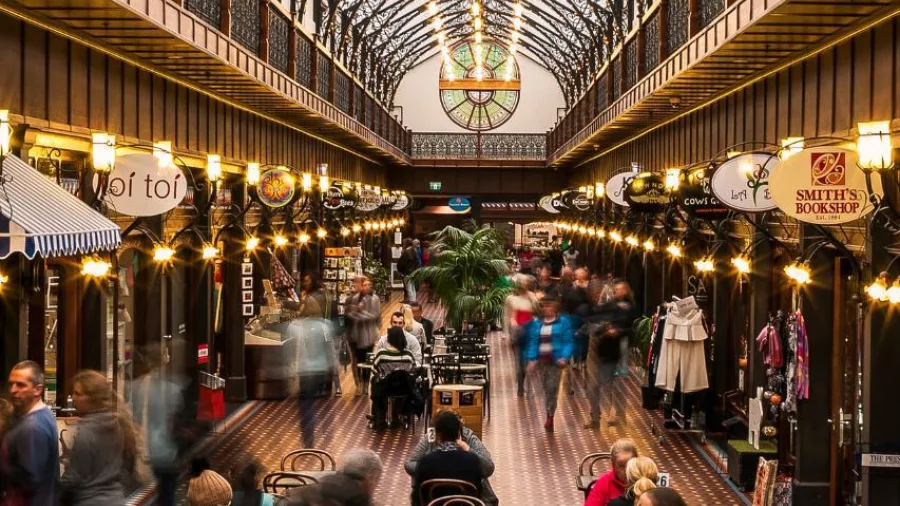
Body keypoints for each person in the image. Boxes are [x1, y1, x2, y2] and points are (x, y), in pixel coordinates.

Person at [60, 370, 139, 506]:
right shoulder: (118, 423)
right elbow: (127, 466)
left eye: (78, 394)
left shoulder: (86, 431)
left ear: (93, 398)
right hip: (115, 499)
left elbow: (75, 477)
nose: (73, 398)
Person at [132, 345, 187, 506]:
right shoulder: (174, 389)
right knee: (167, 496)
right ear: (165, 361)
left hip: (145, 451)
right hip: (166, 453)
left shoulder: (136, 386)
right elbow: (176, 421)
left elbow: (133, 417)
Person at [405, 411, 497, 506]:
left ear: (439, 434)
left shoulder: (426, 462)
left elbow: (417, 496)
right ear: (457, 432)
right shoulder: (473, 460)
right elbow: (478, 490)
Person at [0, 361, 59, 506]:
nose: (13, 390)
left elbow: (30, 478)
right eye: (11, 384)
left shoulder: (32, 427)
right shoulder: (44, 415)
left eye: (20, 385)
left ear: (37, 390)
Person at [585, 280, 638, 428]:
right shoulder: (598, 308)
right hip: (596, 350)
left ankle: (619, 415)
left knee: (614, 385)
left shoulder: (623, 309)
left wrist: (617, 331)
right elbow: (589, 323)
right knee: (593, 386)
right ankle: (595, 417)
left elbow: (629, 328)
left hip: (612, 351)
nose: (600, 296)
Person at [523, 297, 574, 432]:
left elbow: (568, 341)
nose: (546, 309)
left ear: (555, 307)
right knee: (545, 389)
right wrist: (531, 359)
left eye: (549, 306)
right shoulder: (537, 324)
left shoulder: (563, 322)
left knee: (552, 388)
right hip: (541, 362)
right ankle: (548, 410)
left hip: (555, 362)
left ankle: (550, 415)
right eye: (544, 306)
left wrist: (564, 357)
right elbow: (534, 342)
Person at [288, 316, 337, 448]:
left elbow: (290, 349)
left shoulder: (295, 327)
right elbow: (330, 349)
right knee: (324, 405)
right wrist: (333, 368)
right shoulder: (324, 326)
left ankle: (308, 440)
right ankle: (327, 436)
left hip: (304, 371)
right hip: (321, 370)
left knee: (306, 406)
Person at [370, 328, 418, 429]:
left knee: (376, 381)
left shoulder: (381, 354)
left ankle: (379, 416)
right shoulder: (408, 355)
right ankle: (397, 415)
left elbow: (374, 371)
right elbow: (412, 372)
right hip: (403, 389)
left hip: (385, 389)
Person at [503, 275, 539, 397]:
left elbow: (537, 312)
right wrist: (506, 334)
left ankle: (529, 386)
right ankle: (520, 386)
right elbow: (506, 317)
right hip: (516, 333)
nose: (523, 285)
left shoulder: (532, 297)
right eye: (521, 283)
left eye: (525, 283)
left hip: (529, 333)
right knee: (519, 364)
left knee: (528, 361)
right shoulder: (511, 299)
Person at [346, 276, 381, 395]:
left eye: (368, 285)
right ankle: (358, 382)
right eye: (363, 285)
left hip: (369, 334)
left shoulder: (374, 299)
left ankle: (366, 383)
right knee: (357, 358)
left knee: (367, 359)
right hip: (356, 334)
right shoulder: (355, 298)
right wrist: (356, 312)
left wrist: (361, 313)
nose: (365, 287)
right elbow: (350, 314)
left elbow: (375, 315)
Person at [583, 438, 639, 506]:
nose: (627, 470)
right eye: (621, 466)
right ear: (613, 465)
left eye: (630, 464)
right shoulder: (604, 483)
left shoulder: (646, 479)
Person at [398, 238, 419, 303]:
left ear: (405, 244)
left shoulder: (406, 252)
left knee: (409, 288)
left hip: (407, 272)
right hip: (414, 272)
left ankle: (412, 302)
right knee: (412, 288)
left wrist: (401, 271)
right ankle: (414, 301)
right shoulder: (415, 251)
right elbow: (417, 262)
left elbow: (401, 263)